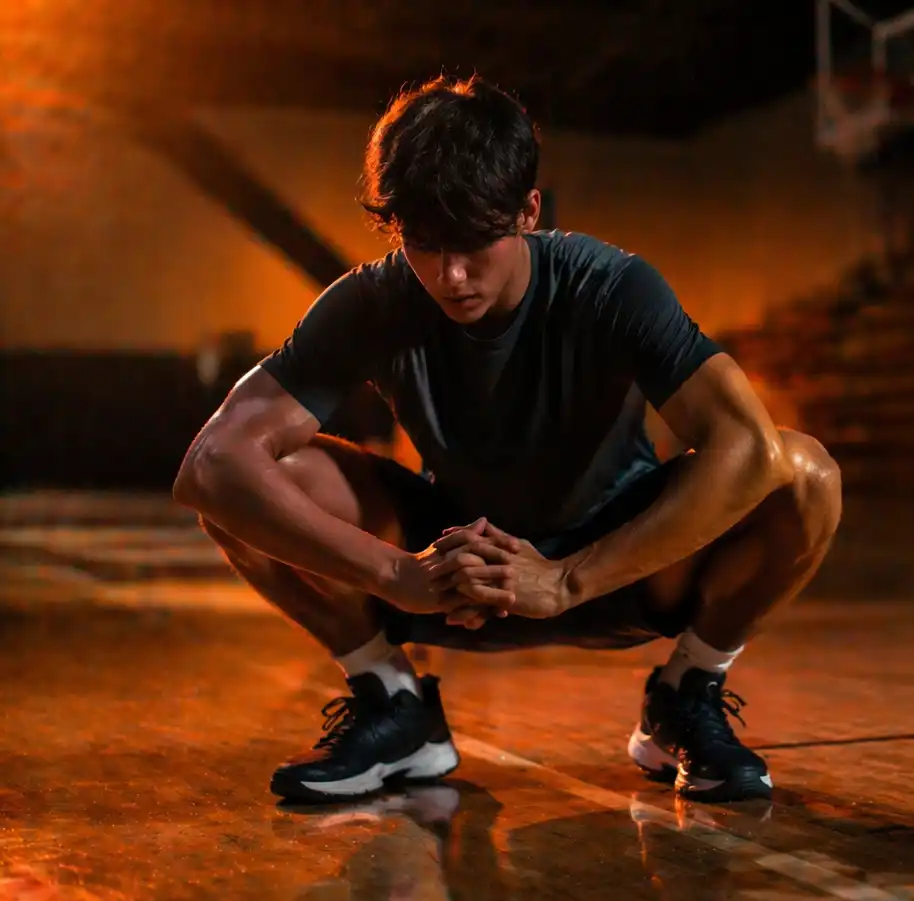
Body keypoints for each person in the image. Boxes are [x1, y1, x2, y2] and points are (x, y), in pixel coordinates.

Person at [173, 74, 842, 805]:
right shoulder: (375, 299)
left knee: (804, 471)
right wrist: (400, 575)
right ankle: (391, 697)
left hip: (620, 566)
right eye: (425, 245)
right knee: (248, 486)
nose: (451, 275)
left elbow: (746, 446)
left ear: (527, 211)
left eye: (472, 243)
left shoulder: (609, 285)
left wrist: (565, 579)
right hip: (450, 573)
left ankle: (689, 689)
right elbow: (210, 464)